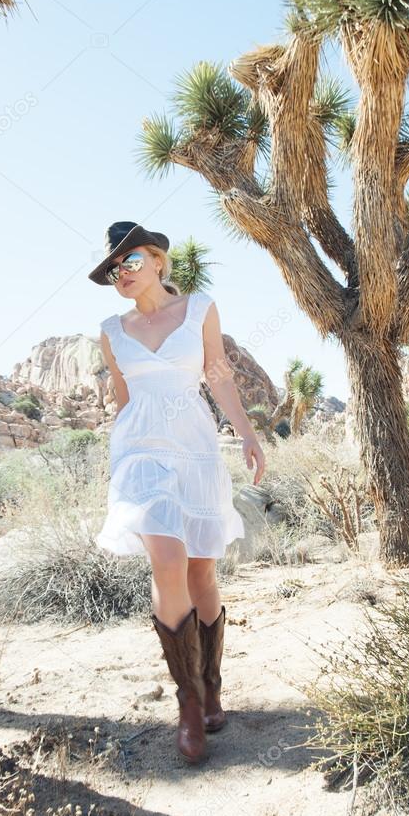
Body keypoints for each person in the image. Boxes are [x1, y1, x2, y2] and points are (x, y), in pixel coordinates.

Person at [89, 221, 265, 764]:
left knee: (201, 575)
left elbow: (218, 374)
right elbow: (123, 400)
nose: (122, 273)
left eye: (131, 261)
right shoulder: (111, 330)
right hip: (142, 454)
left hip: (196, 451)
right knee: (166, 556)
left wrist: (248, 431)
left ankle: (211, 683)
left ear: (159, 260)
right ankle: (188, 702)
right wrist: (120, 465)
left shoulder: (200, 309)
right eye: (114, 269)